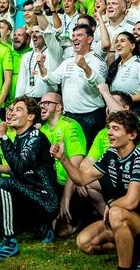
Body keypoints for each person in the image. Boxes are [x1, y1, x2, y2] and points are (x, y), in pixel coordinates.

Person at [52, 110, 140, 269]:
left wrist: (111, 206)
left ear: (131, 135)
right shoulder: (110, 154)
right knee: (84, 242)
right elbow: (82, 179)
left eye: (115, 129)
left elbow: (131, 201)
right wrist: (63, 158)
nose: (109, 132)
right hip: (122, 219)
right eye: (109, 128)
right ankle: (135, 251)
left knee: (116, 213)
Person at [0, 97, 59, 262]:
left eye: (18, 110)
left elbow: (19, 167)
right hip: (26, 196)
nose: (11, 113)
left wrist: (3, 137)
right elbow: (17, 172)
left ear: (30, 117)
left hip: (45, 201)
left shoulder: (35, 137)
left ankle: (9, 242)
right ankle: (38, 225)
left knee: (3, 182)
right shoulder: (19, 138)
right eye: (12, 109)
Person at [38, 24, 107, 146]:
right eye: (73, 35)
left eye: (79, 35)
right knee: (70, 150)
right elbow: (52, 80)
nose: (75, 38)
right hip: (69, 116)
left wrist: (85, 67)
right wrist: (41, 66)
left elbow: (100, 84)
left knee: (88, 152)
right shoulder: (68, 61)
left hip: (91, 117)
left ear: (89, 39)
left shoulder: (98, 60)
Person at [37, 92, 88, 237]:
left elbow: (75, 165)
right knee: (51, 228)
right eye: (41, 103)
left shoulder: (70, 126)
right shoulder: (42, 130)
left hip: (69, 184)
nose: (42, 106)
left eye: (47, 103)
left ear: (59, 107)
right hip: (51, 185)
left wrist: (65, 199)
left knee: (61, 231)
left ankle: (83, 218)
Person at [106, 32, 140, 119]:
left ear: (132, 46)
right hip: (118, 111)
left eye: (122, 41)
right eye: (116, 41)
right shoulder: (116, 66)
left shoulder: (139, 66)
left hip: (136, 111)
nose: (118, 44)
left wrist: (125, 99)